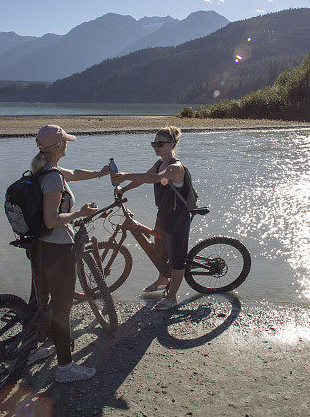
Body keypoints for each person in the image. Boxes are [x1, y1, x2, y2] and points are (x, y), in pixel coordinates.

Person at [29, 124, 110, 382]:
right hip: (58, 249)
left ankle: (40, 345)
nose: (68, 144)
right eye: (65, 141)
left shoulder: (44, 170)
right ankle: (65, 368)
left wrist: (101, 173)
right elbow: (52, 220)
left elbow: (73, 173)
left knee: (43, 302)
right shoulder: (52, 177)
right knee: (62, 309)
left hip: (39, 247)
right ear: (57, 146)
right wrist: (80, 213)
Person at [110, 126, 191, 311]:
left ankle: (172, 298)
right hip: (163, 214)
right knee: (160, 249)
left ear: (171, 144)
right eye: (154, 144)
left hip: (178, 218)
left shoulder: (175, 167)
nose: (156, 147)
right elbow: (144, 178)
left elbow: (155, 178)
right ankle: (163, 279)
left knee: (177, 258)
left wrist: (124, 175)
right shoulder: (158, 163)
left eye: (160, 144)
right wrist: (125, 188)